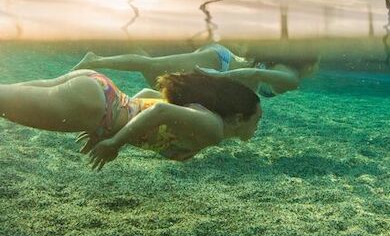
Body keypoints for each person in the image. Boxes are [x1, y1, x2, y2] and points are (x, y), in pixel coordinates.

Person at [0, 69, 262, 170]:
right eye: (256, 120)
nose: (258, 127)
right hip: (95, 108)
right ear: (239, 118)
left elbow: (148, 97)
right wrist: (114, 141)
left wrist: (110, 128)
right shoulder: (213, 128)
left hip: (100, 92)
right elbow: (161, 112)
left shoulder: (202, 114)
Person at [73, 44, 319, 96]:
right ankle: (95, 59)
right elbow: (253, 74)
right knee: (153, 69)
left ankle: (140, 55)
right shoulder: (291, 79)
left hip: (221, 72)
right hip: (218, 62)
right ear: (307, 63)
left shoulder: (283, 65)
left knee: (158, 83)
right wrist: (221, 75)